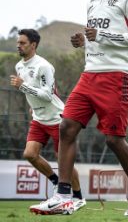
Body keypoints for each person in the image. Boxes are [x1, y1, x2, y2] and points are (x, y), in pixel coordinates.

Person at [31, 0, 128, 216]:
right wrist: (84, 41)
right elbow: (97, 38)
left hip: (117, 75)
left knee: (114, 140)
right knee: (66, 127)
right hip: (89, 75)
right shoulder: (92, 2)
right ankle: (63, 195)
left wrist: (102, 36)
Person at [12, 29, 85, 214]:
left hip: (56, 119)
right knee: (30, 154)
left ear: (33, 45)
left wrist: (24, 86)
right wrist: (32, 104)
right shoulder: (19, 66)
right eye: (18, 42)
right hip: (38, 119)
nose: (18, 45)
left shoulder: (44, 66)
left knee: (64, 163)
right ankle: (55, 181)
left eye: (22, 43)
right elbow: (34, 93)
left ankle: (78, 197)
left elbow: (47, 94)